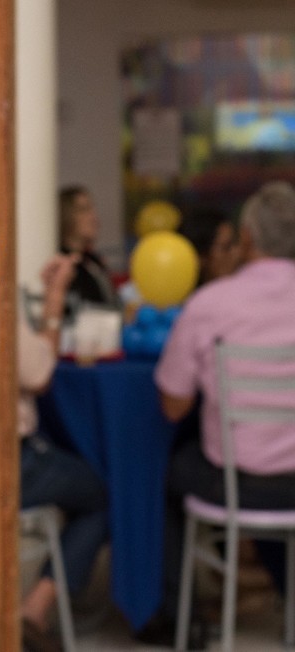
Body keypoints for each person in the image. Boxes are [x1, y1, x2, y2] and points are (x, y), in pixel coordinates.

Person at [137, 180, 295, 647]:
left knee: (164, 474)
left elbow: (172, 406)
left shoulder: (210, 305)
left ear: (246, 238)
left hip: (233, 482)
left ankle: (177, 613)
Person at [18, 253, 108, 652]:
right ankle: (34, 610)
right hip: (7, 464)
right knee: (101, 495)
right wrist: (54, 300)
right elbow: (38, 374)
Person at [57, 185, 119, 316]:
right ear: (66, 215)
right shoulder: (60, 263)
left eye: (92, 209)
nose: (94, 216)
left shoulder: (93, 260)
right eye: (84, 210)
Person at [177, 205, 241, 287]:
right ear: (201, 258)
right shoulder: (192, 299)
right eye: (226, 247)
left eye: (237, 242)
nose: (238, 253)